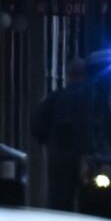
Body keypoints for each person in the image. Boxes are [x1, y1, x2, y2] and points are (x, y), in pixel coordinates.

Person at [30, 58, 92, 211]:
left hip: (60, 156)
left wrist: (48, 142)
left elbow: (37, 124)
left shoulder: (56, 97)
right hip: (90, 157)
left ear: (69, 75)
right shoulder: (93, 99)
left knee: (60, 200)